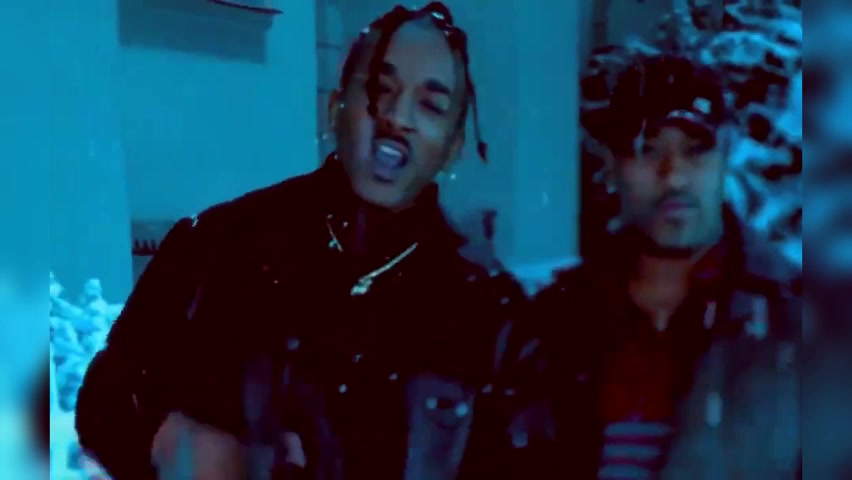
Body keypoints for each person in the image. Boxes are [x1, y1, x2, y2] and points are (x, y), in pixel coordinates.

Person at [75, 2, 526, 479]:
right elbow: (106, 400)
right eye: (380, 89)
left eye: (431, 105)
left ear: (453, 147)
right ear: (335, 108)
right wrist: (179, 444)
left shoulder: (490, 317)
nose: (398, 117)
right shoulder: (219, 247)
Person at [507, 56, 801, 479]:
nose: (674, 176)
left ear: (726, 154)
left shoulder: (797, 322)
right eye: (648, 149)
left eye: (695, 150)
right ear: (613, 164)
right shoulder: (550, 327)